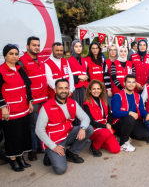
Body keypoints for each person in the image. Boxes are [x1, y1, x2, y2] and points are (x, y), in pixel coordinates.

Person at [36, 78, 94, 175]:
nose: (64, 91)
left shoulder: (72, 103)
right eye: (61, 88)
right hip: (54, 140)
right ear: (55, 90)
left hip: (67, 134)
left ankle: (72, 153)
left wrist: (82, 128)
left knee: (88, 128)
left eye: (66, 88)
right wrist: (53, 147)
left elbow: (85, 117)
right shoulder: (46, 107)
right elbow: (39, 130)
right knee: (60, 169)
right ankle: (49, 153)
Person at [0, 44, 34, 172]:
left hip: (23, 108)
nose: (14, 56)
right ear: (5, 55)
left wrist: (30, 102)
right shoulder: (1, 70)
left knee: (22, 135)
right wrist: (3, 108)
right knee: (11, 136)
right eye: (11, 54)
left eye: (16, 54)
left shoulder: (20, 69)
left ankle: (20, 158)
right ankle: (12, 160)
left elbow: (27, 86)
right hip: (10, 111)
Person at [19, 37, 48, 161]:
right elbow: (22, 83)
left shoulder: (41, 59)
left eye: (38, 45)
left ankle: (41, 146)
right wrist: (29, 100)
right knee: (33, 126)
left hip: (44, 97)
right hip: (33, 100)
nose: (37, 47)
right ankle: (33, 150)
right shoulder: (22, 61)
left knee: (43, 124)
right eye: (34, 45)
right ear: (27, 47)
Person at [111, 75, 149, 151]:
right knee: (130, 118)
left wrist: (147, 114)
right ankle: (123, 143)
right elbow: (115, 113)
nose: (131, 84)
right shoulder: (118, 96)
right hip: (119, 123)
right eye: (128, 82)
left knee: (145, 135)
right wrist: (129, 112)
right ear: (124, 83)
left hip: (131, 122)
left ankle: (126, 134)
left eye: (133, 82)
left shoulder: (138, 96)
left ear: (135, 84)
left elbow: (141, 110)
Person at [83, 80, 120, 156]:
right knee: (106, 132)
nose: (96, 91)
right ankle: (94, 146)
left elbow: (110, 115)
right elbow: (90, 121)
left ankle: (101, 142)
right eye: (94, 89)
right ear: (89, 90)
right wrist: (106, 126)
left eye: (98, 89)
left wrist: (109, 124)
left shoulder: (104, 100)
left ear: (101, 90)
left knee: (116, 149)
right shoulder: (86, 103)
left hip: (105, 128)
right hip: (94, 128)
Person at [67, 40, 89, 126]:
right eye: (76, 46)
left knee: (85, 107)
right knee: (76, 108)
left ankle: (85, 127)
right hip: (75, 88)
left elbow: (87, 72)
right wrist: (79, 77)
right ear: (72, 48)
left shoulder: (85, 60)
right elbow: (68, 75)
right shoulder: (68, 61)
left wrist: (86, 76)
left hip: (85, 87)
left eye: (80, 46)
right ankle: (77, 128)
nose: (79, 48)